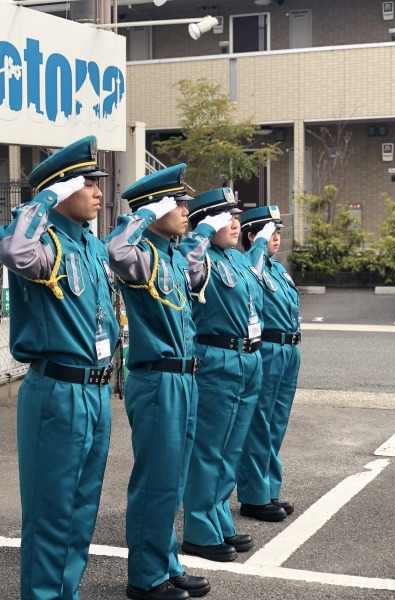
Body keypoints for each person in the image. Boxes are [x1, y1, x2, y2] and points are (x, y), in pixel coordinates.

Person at [0, 136, 119, 600]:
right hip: (58, 393)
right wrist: (42, 199)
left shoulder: (87, 243)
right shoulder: (41, 243)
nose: (98, 191)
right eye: (86, 182)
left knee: (81, 510)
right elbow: (14, 253)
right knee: (51, 514)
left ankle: (66, 592)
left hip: (95, 391)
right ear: (61, 188)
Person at [107, 164, 225, 600]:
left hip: (184, 378)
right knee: (155, 481)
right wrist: (140, 216)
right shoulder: (139, 253)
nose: (186, 209)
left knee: (173, 480)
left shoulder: (170, 252)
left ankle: (167, 562)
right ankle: (145, 576)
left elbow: (196, 269)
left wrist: (195, 235)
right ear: (152, 208)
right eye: (176, 202)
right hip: (157, 380)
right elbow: (116, 251)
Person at [180, 187, 281, 563]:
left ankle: (218, 517)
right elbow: (186, 269)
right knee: (209, 449)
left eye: (236, 216)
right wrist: (202, 232)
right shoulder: (200, 256)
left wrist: (263, 230)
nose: (234, 223)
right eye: (224, 216)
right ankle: (200, 528)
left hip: (247, 358)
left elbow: (257, 259)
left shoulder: (237, 259)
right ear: (205, 222)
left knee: (230, 448)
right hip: (217, 359)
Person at [236, 206, 301, 520]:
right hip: (269, 348)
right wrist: (259, 248)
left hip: (288, 350)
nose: (276, 238)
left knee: (276, 423)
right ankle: (254, 495)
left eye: (277, 233)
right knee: (259, 424)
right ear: (252, 237)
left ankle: (270, 488)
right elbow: (251, 273)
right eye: (269, 233)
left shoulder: (276, 268)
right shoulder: (252, 264)